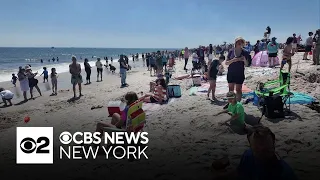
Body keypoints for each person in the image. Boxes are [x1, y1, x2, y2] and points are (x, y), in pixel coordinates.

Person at [225, 37, 249, 103]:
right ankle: (230, 104)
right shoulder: (231, 51)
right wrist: (233, 60)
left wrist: (244, 59)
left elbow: (247, 65)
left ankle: (238, 104)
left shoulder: (245, 52)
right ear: (235, 43)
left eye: (241, 42)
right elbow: (226, 63)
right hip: (231, 72)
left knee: (238, 89)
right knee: (231, 90)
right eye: (238, 42)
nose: (239, 43)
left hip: (240, 73)